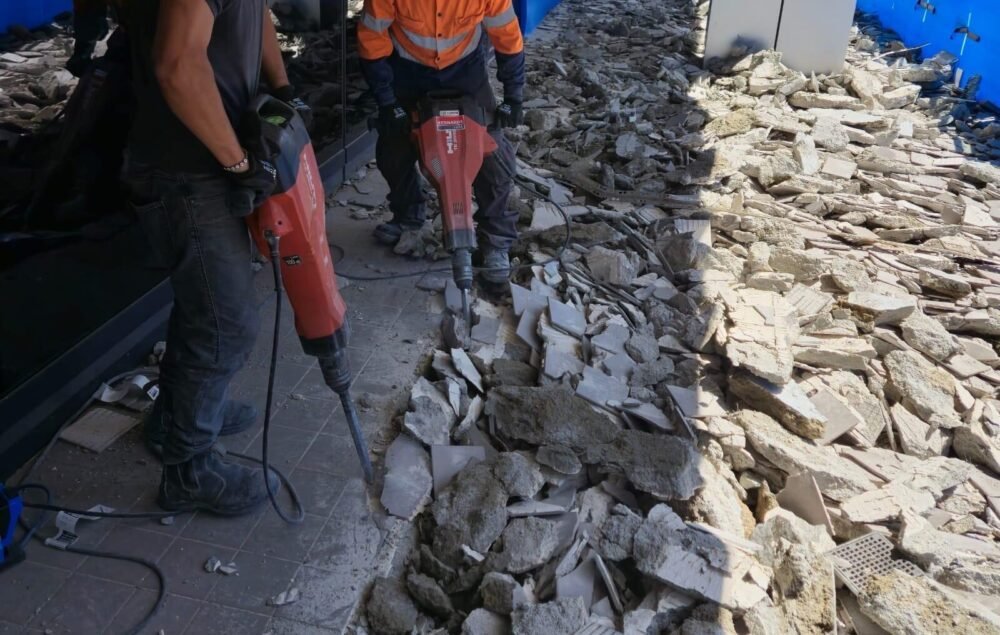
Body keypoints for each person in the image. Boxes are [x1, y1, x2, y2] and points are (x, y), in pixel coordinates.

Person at [124, 0, 307, 515]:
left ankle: (174, 419)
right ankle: (190, 470)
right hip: (187, 171)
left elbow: (255, 17)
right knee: (226, 324)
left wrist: (283, 87)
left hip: (208, 164)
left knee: (204, 304)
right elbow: (178, 65)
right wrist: (240, 162)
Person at [358, 0, 526, 283]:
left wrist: (514, 95)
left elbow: (508, 37)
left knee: (493, 153)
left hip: (466, 73)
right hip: (408, 73)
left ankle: (496, 239)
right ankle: (408, 218)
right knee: (393, 147)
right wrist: (387, 102)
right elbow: (371, 41)